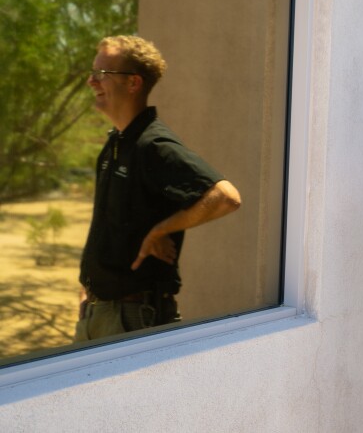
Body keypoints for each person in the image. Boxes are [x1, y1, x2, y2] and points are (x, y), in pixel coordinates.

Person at [75, 35, 241, 342]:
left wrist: (161, 230)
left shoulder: (153, 145)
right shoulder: (116, 143)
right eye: (93, 72)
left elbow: (225, 197)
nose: (91, 81)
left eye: (102, 73)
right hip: (97, 315)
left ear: (133, 83)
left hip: (132, 319)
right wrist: (88, 291)